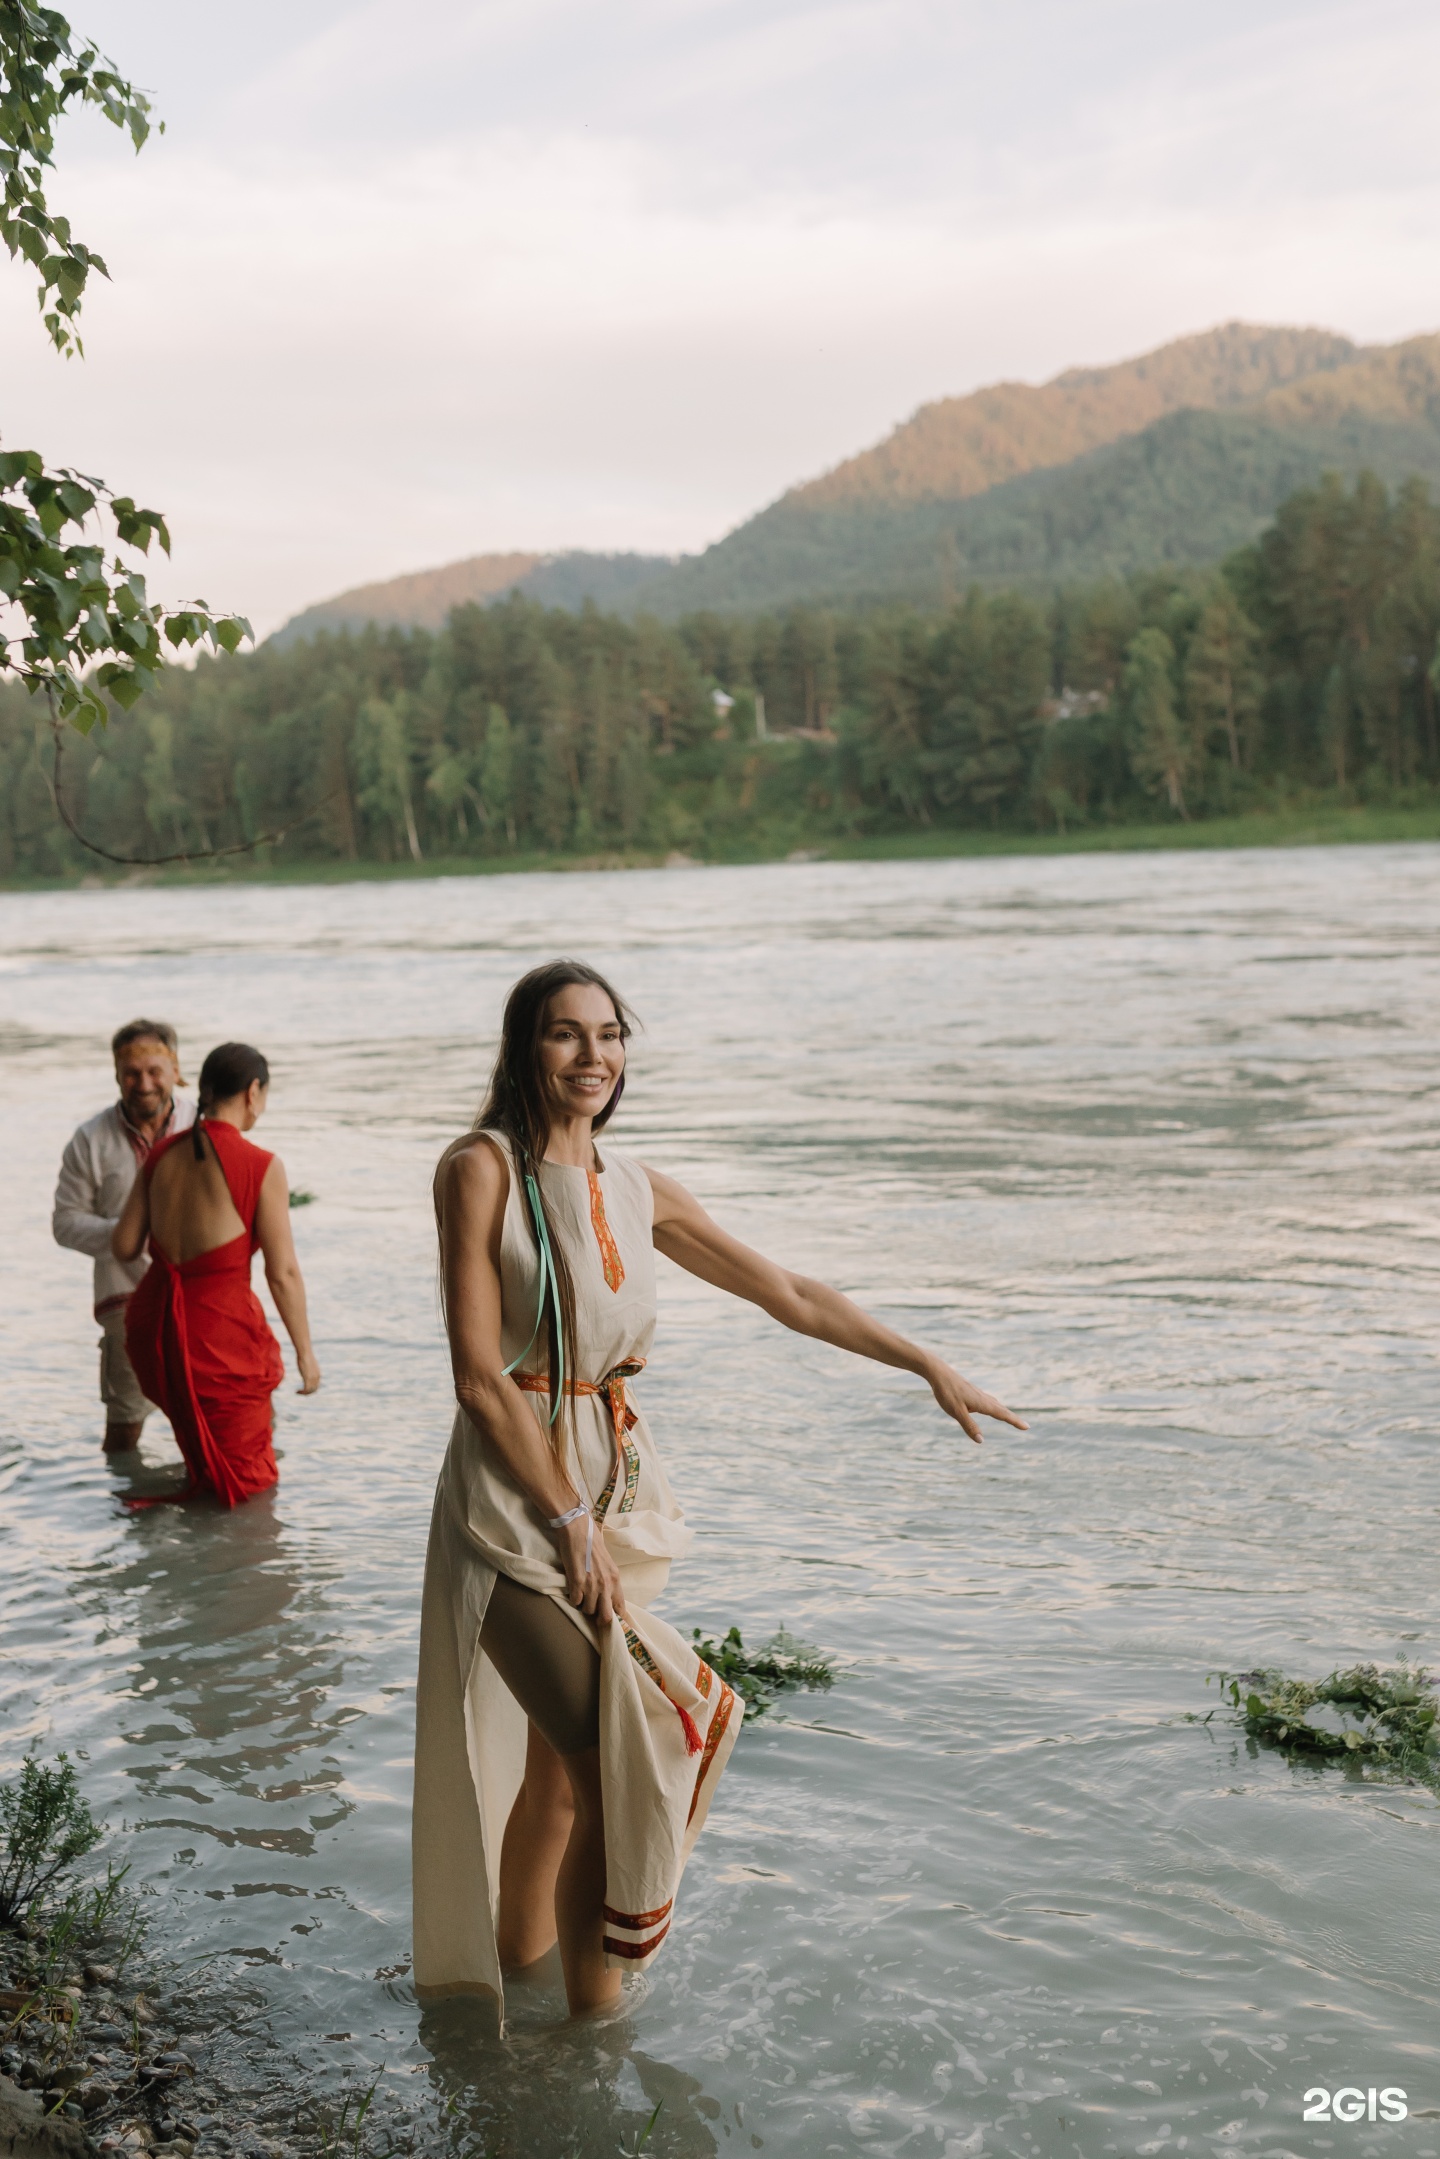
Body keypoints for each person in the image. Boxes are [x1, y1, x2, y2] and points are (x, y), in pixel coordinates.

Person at [413, 959, 1026, 2022]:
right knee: (619, 1747)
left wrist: (923, 1359)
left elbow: (789, 1291)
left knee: (566, 1768)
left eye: (610, 1035)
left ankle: (512, 1990)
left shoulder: (639, 1186)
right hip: (514, 1501)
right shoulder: (480, 1169)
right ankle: (592, 2038)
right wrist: (564, 1520)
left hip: (612, 1489)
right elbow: (477, 1375)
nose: (594, 1055)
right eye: (566, 1035)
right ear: (526, 1049)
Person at [111, 1042, 321, 1507]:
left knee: (204, 1457)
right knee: (250, 1488)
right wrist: (306, 1354)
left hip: (157, 1329)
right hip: (218, 1336)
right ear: (252, 1093)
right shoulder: (262, 1164)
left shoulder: (162, 1153)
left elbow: (124, 1246)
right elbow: (282, 1272)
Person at [53, 1019, 198, 1452]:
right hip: (125, 1300)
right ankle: (121, 1509)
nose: (144, 1084)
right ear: (116, 1074)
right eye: (131, 1073)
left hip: (199, 1297)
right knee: (124, 1428)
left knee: (235, 1417)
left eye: (154, 1071)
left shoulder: (204, 1127)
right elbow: (64, 1223)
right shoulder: (90, 1139)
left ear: (175, 1070)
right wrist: (130, 1233)